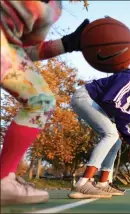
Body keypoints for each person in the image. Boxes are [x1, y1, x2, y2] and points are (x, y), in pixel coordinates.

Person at [0, 0, 89, 205]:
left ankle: (4, 176)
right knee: (40, 100)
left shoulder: (52, 8)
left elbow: (20, 51)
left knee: (41, 100)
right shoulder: (51, 8)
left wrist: (67, 43)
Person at [68, 55, 130, 199]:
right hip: (85, 98)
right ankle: (83, 183)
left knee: (116, 140)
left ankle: (103, 183)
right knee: (111, 135)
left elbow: (119, 115)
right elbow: (109, 102)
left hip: (92, 102)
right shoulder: (128, 78)